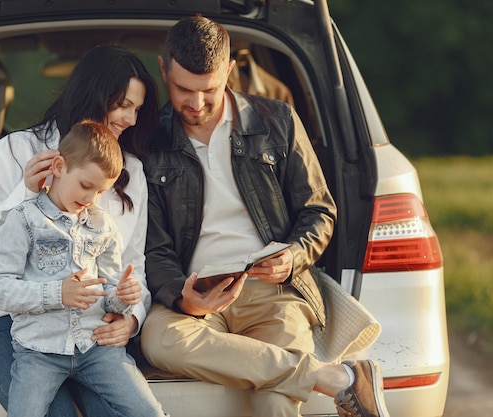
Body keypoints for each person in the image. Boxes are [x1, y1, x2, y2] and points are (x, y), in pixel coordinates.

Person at [140, 15, 390, 417]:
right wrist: (179, 295)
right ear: (163, 68)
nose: (196, 103)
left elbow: (319, 211)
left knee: (275, 400)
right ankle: (337, 379)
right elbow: (152, 245)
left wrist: (292, 257)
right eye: (183, 89)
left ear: (228, 71)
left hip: (276, 296)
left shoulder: (278, 121)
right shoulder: (147, 141)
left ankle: (320, 376)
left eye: (209, 89)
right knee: (158, 341)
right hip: (195, 295)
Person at [0, 45, 160, 416]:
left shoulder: (131, 172)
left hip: (92, 329)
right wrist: (26, 191)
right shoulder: (15, 152)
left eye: (137, 109)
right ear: (93, 96)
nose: (130, 118)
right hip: (8, 323)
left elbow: (133, 265)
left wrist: (132, 320)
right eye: (122, 104)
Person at [0, 120, 165, 417]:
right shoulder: (24, 220)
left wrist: (123, 297)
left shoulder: (102, 224)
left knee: (149, 412)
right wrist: (58, 293)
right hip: (39, 351)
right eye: (85, 186)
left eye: (100, 191)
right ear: (58, 167)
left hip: (95, 348)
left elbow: (108, 295)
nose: (91, 199)